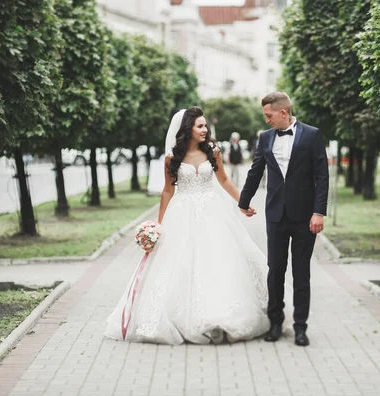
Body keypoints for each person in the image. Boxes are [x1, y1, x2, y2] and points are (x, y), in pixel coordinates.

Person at [104, 106, 270, 345]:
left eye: (205, 126)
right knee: (179, 264)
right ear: (187, 129)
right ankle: (181, 319)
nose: (205, 130)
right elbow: (167, 191)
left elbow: (223, 179)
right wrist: (159, 226)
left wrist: (242, 202)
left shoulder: (213, 151)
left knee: (219, 261)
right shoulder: (173, 157)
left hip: (213, 212)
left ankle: (221, 315)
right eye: (200, 126)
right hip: (182, 214)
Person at [238, 91, 329, 347]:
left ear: (283, 112)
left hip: (305, 217)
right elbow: (256, 171)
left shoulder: (312, 135)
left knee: (301, 273)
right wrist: (243, 202)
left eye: (269, 116)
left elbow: (322, 176)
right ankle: (275, 322)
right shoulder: (266, 138)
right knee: (275, 270)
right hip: (276, 216)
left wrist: (318, 212)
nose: (266, 121)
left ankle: (301, 327)